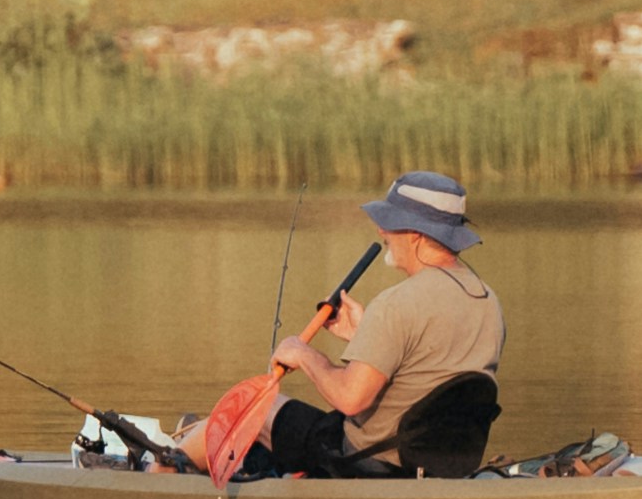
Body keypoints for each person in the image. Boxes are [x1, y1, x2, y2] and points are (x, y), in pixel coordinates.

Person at [216, 173, 507, 479]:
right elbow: (429, 371)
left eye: (390, 222)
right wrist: (363, 334)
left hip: (367, 459)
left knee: (257, 406)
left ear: (415, 234)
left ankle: (173, 467)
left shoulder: (396, 303)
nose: (382, 230)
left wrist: (303, 354)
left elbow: (350, 399)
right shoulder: (488, 301)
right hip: (442, 463)